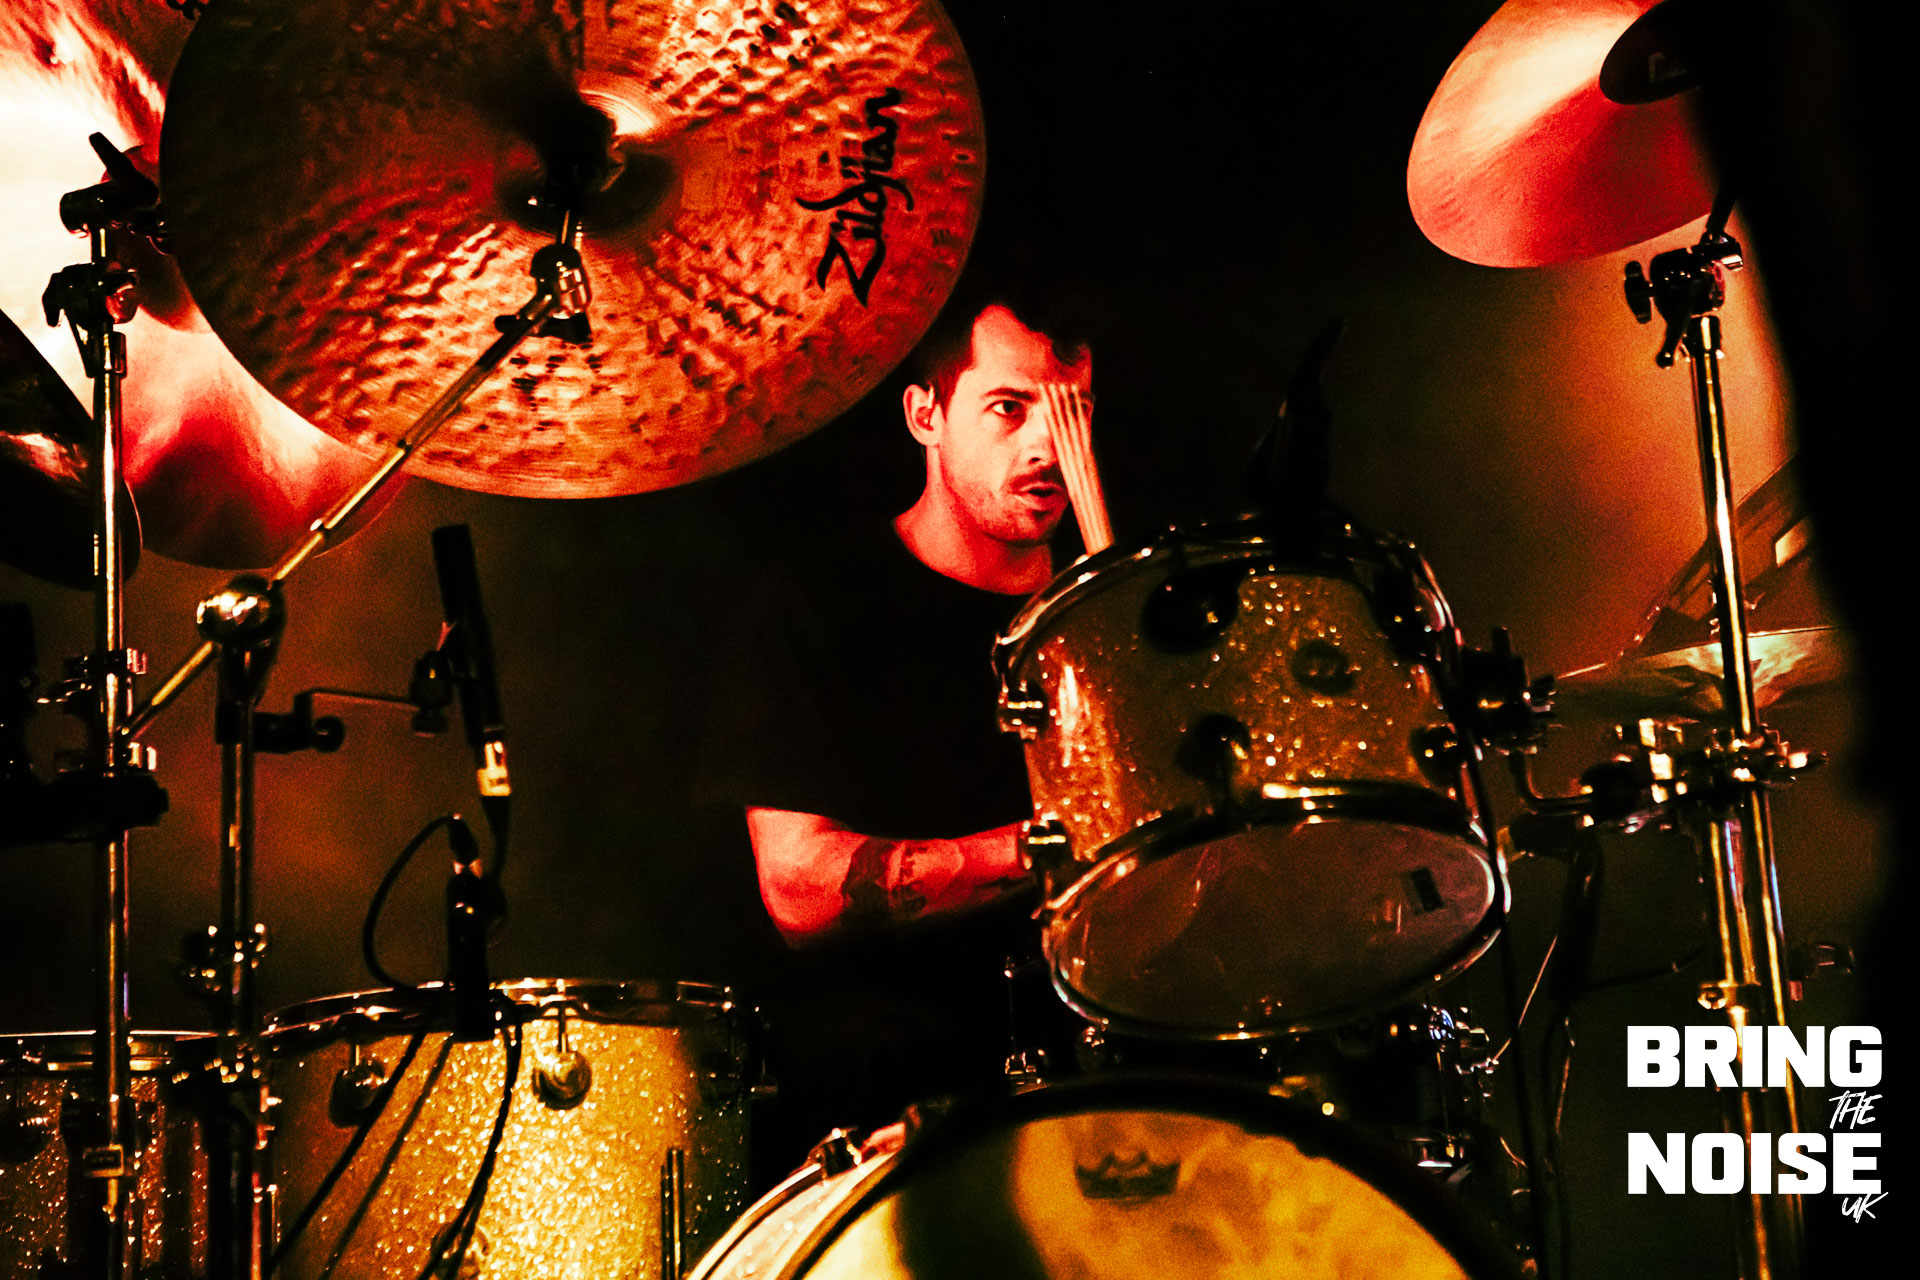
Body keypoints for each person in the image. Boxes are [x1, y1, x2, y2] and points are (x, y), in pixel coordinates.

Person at [703, 283, 1095, 1176]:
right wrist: (1052, 847)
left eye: (1071, 413)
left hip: (1106, 1079)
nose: (1046, 445)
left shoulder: (1116, 618)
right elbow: (799, 888)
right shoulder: (814, 606)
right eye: (1009, 408)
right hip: (893, 1103)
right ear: (925, 414)